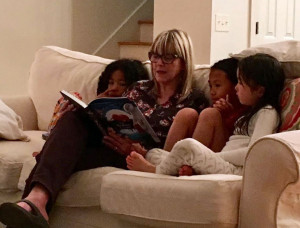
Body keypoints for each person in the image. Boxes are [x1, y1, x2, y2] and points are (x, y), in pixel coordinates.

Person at [0, 29, 208, 228]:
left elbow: (176, 153)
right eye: (154, 56)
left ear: (183, 61)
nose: (158, 63)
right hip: (110, 142)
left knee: (53, 156)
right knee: (74, 117)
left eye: (168, 57)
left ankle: (33, 203)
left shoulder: (193, 101)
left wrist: (138, 151)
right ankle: (36, 202)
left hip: (136, 157)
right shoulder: (140, 88)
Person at [126, 53, 285, 177]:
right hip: (224, 161)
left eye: (241, 83)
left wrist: (215, 156)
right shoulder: (250, 114)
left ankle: (156, 172)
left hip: (236, 170)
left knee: (187, 146)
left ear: (260, 90)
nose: (237, 88)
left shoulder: (267, 112)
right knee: (155, 153)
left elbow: (255, 153)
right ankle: (162, 163)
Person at [43, 58, 149, 140]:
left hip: (109, 147)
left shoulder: (142, 109)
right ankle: (53, 137)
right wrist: (95, 104)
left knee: (71, 121)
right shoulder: (102, 100)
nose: (113, 88)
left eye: (122, 84)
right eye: (111, 82)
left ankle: (52, 141)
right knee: (70, 114)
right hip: (89, 138)